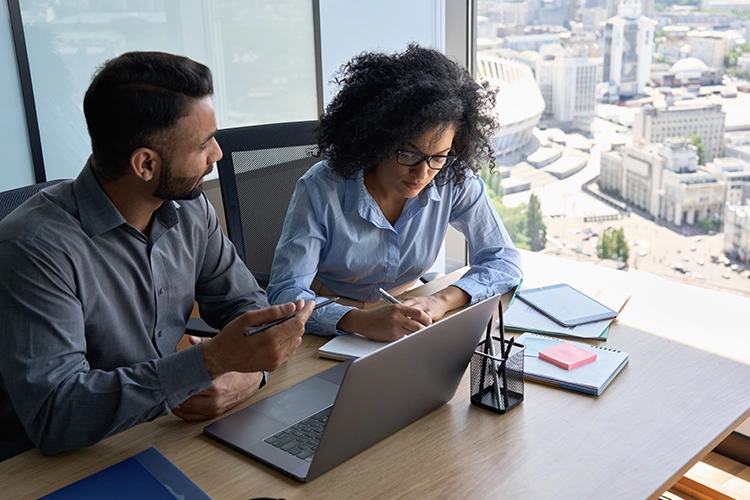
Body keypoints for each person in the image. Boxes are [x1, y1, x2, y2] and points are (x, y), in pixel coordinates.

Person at [0, 51, 315, 460]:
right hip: (60, 464)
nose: (217, 154)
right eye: (204, 144)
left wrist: (250, 375)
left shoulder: (190, 207)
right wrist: (210, 361)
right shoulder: (32, 248)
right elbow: (55, 414)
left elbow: (244, 305)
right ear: (145, 163)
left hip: (163, 431)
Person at [267, 44, 523, 342]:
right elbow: (285, 295)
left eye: (439, 157)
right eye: (408, 154)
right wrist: (362, 321)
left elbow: (503, 261)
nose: (422, 173)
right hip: (331, 323)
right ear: (379, 140)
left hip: (412, 312)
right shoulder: (321, 189)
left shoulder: (452, 177)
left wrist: (439, 300)